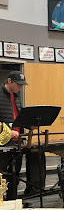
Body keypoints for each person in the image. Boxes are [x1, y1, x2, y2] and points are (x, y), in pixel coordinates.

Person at [0, 70, 45, 198]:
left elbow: (17, 118)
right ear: (9, 81)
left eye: (21, 85)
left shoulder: (17, 96)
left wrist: (28, 125)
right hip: (3, 142)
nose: (20, 87)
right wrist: (9, 131)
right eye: (18, 84)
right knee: (3, 175)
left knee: (15, 174)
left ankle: (13, 201)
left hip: (18, 141)